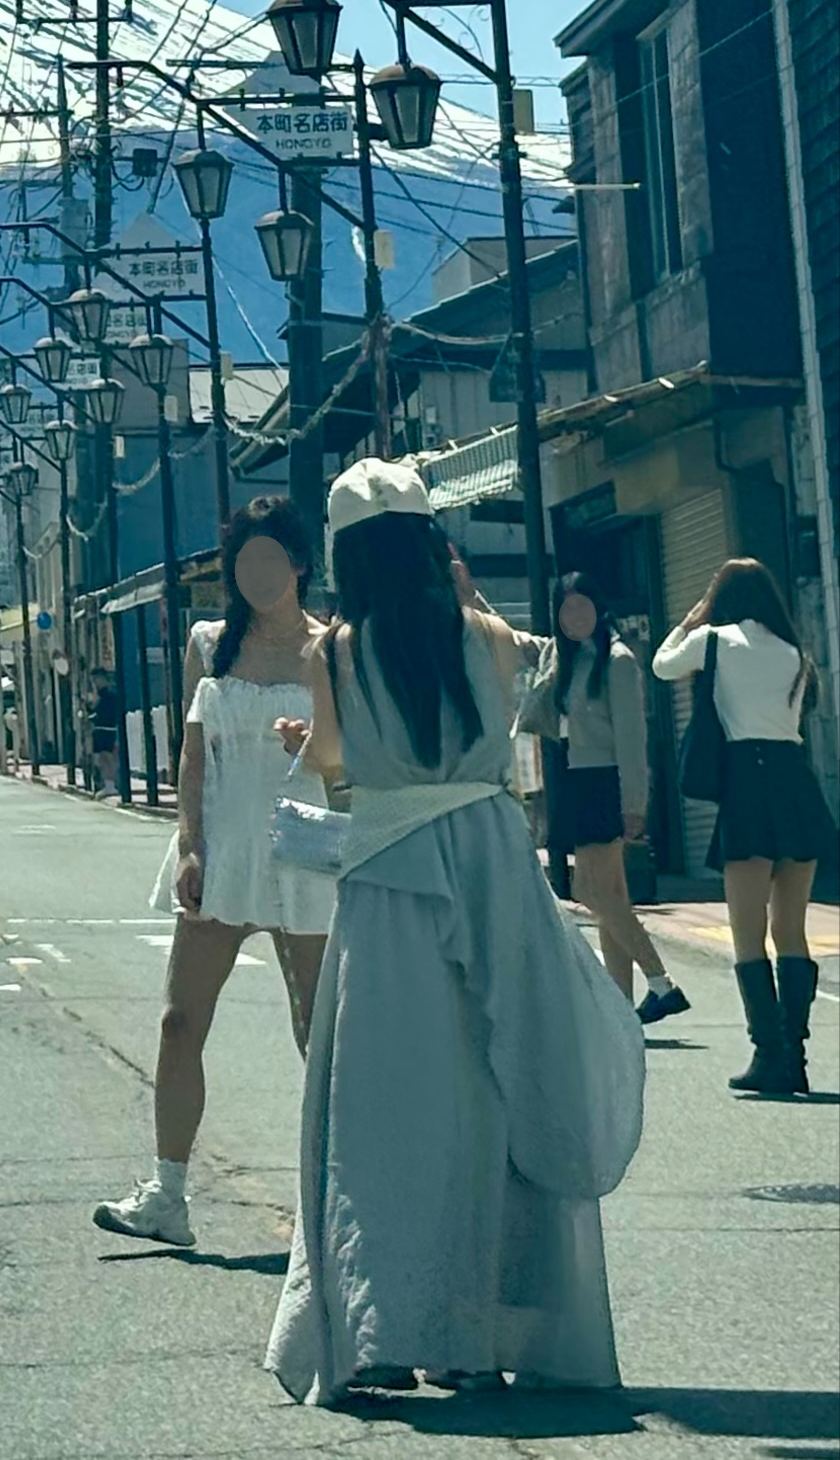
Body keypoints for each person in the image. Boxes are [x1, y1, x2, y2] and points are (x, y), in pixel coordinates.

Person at [268, 458, 644, 1403]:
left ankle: (384, 1327)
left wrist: (297, 744)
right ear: (433, 543)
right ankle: (479, 1334)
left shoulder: (337, 650)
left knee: (384, 1105)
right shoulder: (489, 636)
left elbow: (335, 763)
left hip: (391, 873)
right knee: (496, 1086)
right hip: (490, 866)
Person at [93, 495, 335, 1252]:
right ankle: (167, 1192)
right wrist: (189, 844)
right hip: (223, 852)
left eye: (272, 558)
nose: (258, 573)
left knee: (318, 1031)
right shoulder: (210, 643)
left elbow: (349, 754)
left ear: (299, 564)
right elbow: (193, 757)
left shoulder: (333, 648)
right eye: (245, 560)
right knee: (178, 1019)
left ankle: (338, 1200)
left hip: (305, 854)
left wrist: (313, 743)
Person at [653, 557, 837, 1096]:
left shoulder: (712, 639)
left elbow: (663, 665)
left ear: (722, 598)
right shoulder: (794, 653)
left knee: (747, 931)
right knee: (791, 929)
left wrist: (690, 618)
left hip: (748, 788)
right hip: (796, 785)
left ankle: (768, 1054)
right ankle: (795, 1057)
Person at [516, 572, 688, 1024]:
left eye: (583, 605)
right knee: (612, 894)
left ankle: (661, 982)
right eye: (566, 607)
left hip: (604, 782)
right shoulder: (565, 656)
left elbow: (634, 741)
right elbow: (516, 639)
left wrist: (635, 804)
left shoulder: (617, 660)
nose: (575, 615)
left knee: (591, 890)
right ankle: (620, 1003)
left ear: (599, 607)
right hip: (574, 777)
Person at [88, 675, 119, 798]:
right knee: (102, 758)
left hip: (107, 729)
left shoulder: (108, 696)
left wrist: (93, 715)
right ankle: (108, 784)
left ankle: (111, 785)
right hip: (100, 729)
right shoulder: (100, 695)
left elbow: (102, 713)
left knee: (108, 757)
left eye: (97, 679)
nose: (96, 683)